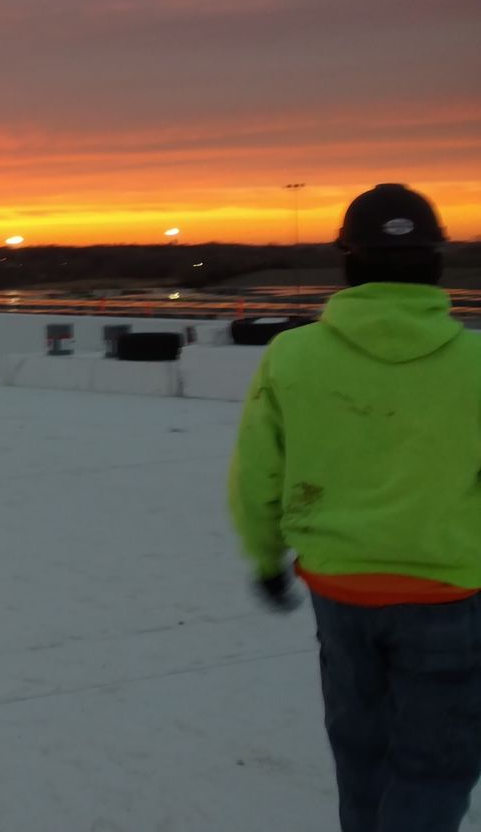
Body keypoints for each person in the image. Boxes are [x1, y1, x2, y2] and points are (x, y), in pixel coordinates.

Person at [230, 183, 481, 832]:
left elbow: (257, 472)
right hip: (451, 594)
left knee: (361, 753)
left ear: (349, 262)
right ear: (435, 263)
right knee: (435, 768)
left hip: (340, 592)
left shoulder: (294, 354)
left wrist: (265, 557)